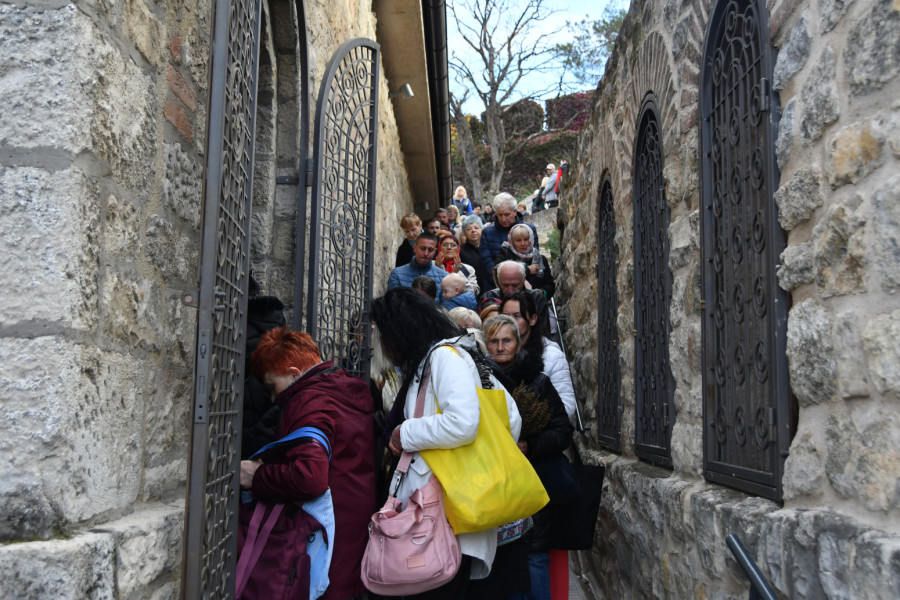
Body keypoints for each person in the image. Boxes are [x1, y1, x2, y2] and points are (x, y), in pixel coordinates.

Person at [371, 288, 522, 598]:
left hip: (445, 514)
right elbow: (512, 419)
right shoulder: (439, 357)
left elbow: (462, 423)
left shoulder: (444, 357)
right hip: (444, 513)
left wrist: (405, 432)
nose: (382, 344)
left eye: (384, 334)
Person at [240, 327, 375, 600]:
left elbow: (310, 477)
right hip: (353, 522)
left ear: (293, 373)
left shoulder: (309, 401)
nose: (272, 398)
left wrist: (257, 476)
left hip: (326, 530)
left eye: (272, 386)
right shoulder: (345, 387)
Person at [473, 315, 573, 600]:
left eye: (507, 341)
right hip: (493, 485)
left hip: (532, 484)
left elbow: (562, 430)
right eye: (494, 341)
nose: (500, 347)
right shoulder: (477, 383)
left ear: (518, 344)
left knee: (534, 557)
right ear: (486, 345)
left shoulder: (538, 381)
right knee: (499, 561)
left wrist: (530, 444)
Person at [500, 291, 576, 423]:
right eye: (505, 316)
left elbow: (566, 406)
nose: (510, 322)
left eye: (517, 316)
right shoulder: (493, 352)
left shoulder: (551, 355)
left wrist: (532, 423)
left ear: (533, 319)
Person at [479, 193, 539, 288]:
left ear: (515, 212)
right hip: (496, 286)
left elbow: (534, 258)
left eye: (507, 214)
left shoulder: (529, 230)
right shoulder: (487, 233)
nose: (503, 219)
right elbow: (486, 263)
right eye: (500, 215)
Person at [495, 224, 555, 299]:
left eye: (526, 239)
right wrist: (527, 270)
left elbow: (550, 286)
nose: (523, 244)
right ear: (512, 242)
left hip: (536, 303)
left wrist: (541, 292)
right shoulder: (504, 256)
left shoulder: (540, 258)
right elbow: (497, 275)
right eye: (518, 240)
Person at [387, 232, 447, 299]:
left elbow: (446, 307)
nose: (426, 253)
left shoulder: (443, 277)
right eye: (423, 248)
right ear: (415, 248)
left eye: (430, 250)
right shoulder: (397, 274)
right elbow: (392, 304)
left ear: (435, 251)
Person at [459, 215, 492, 296]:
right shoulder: (461, 250)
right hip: (471, 290)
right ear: (464, 233)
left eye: (476, 228)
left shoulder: (488, 247)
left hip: (490, 287)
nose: (473, 231)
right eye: (469, 229)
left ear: (482, 230)